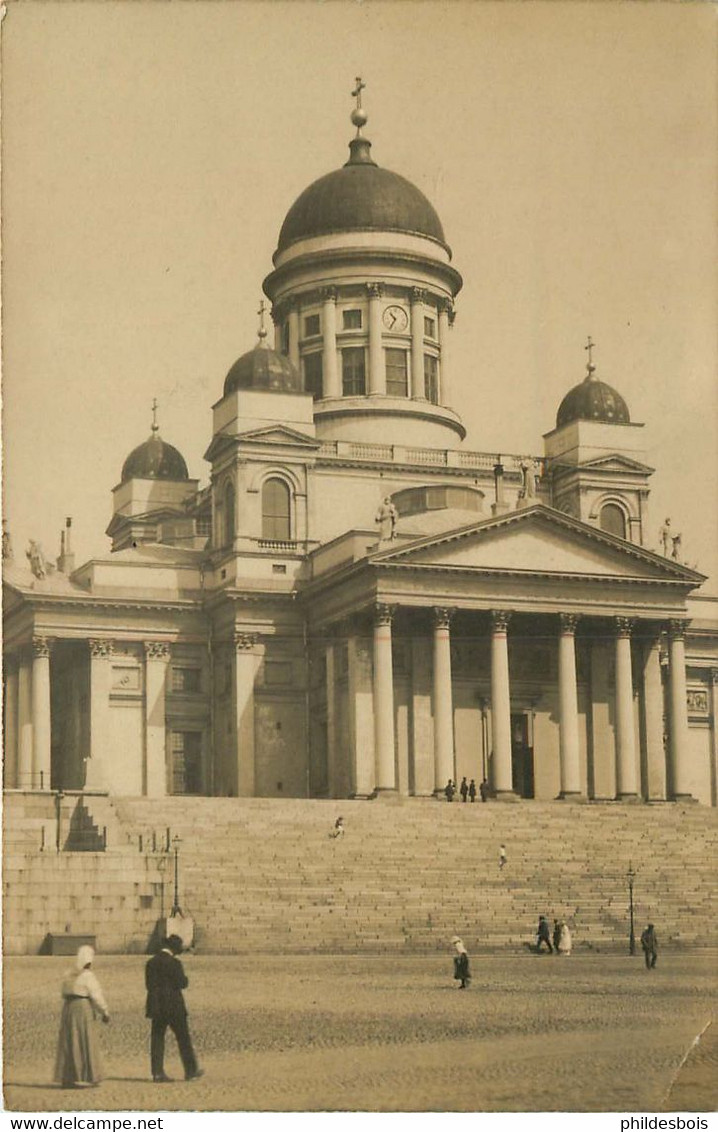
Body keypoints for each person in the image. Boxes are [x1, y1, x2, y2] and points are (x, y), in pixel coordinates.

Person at [145, 934, 203, 1083]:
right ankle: (190, 1070)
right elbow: (182, 983)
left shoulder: (150, 963)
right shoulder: (174, 963)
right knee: (183, 1038)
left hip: (157, 1006)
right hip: (174, 1005)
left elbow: (149, 985)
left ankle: (157, 1072)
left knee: (157, 1039)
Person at [54, 944, 110, 1089]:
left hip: (68, 1008)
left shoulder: (68, 974)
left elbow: (63, 993)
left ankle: (68, 1077)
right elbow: (96, 996)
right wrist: (104, 1012)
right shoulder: (88, 976)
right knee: (86, 1040)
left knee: (69, 1041)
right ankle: (89, 1076)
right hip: (82, 1007)